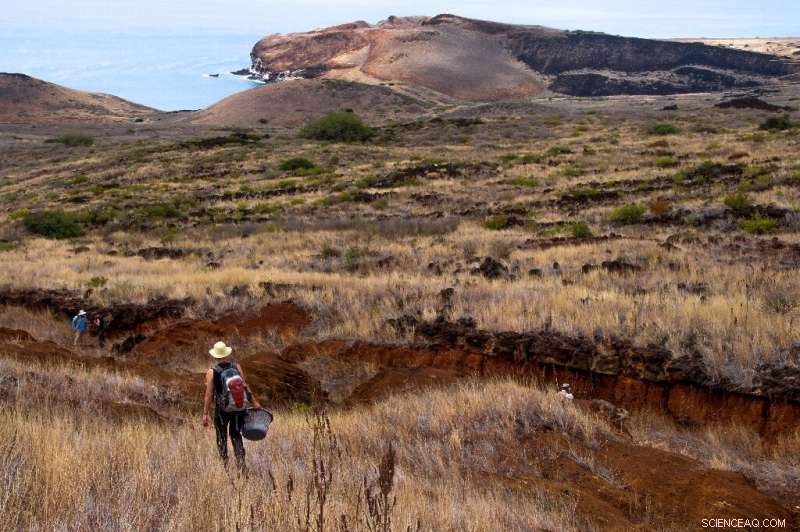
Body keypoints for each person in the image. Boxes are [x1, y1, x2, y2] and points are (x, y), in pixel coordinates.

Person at [202, 341, 261, 471]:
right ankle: (241, 465)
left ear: (215, 356)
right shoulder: (236, 367)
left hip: (222, 411)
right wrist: (255, 402)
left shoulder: (212, 372)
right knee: (236, 435)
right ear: (226, 354)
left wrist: (205, 414)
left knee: (221, 437)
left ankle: (225, 468)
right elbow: (245, 386)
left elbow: (208, 395)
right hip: (239, 408)